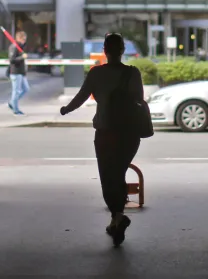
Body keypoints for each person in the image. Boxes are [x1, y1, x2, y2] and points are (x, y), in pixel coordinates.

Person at [59, 33, 144, 247]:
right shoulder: (133, 73)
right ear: (123, 50)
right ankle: (116, 219)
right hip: (130, 134)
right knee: (119, 173)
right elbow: (139, 101)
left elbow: (81, 96)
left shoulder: (97, 73)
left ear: (105, 50)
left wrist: (66, 109)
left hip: (106, 133)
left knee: (109, 177)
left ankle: (117, 216)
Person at [7, 31, 30, 115]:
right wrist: (22, 57)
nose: (24, 41)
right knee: (16, 91)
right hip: (16, 72)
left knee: (26, 89)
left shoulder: (21, 47)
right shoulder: (14, 47)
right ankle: (15, 110)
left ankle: (12, 102)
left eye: (25, 39)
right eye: (23, 39)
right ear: (19, 38)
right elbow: (12, 60)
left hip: (21, 72)